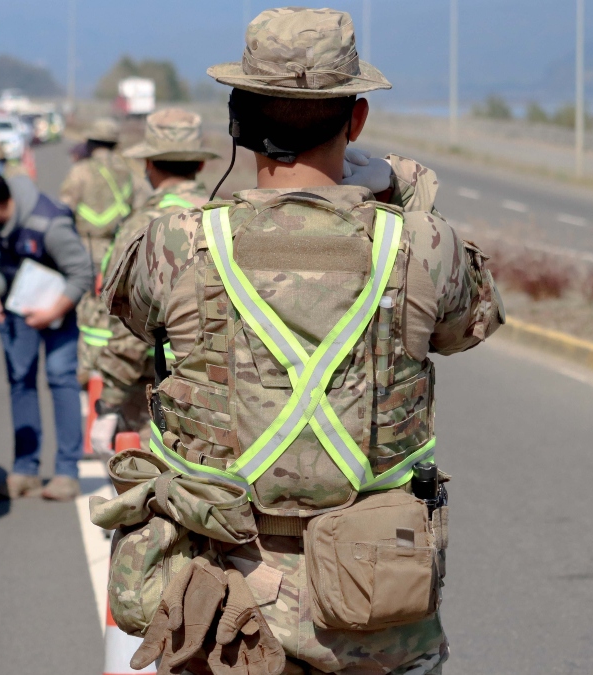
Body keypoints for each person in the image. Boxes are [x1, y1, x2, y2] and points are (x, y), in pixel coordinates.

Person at [102, 7, 504, 673]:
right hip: (376, 615)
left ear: (239, 121)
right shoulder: (424, 245)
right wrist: (396, 190)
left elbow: (135, 323)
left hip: (220, 608)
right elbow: (465, 330)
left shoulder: (172, 243)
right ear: (356, 121)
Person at [0, 172, 93, 501]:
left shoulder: (49, 224)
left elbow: (82, 271)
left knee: (61, 378)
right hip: (16, 307)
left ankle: (66, 473)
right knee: (20, 381)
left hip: (57, 309)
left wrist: (53, 312)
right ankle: (25, 470)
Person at [89, 108, 219, 453]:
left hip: (151, 382)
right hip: (215, 383)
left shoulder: (141, 226)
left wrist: (110, 396)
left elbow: (125, 322)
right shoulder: (225, 215)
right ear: (201, 164)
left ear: (149, 164)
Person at [59, 117, 136, 386]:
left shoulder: (80, 171)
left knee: (87, 311)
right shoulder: (128, 172)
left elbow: (65, 209)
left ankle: (87, 371)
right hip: (119, 249)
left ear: (91, 142)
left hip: (86, 247)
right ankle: (115, 366)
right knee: (114, 307)